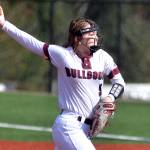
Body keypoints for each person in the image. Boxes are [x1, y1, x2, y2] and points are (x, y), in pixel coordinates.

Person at [0, 5, 125, 150]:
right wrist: (4, 24)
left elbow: (119, 82)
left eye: (95, 33)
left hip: (86, 131)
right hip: (68, 126)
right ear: (78, 38)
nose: (95, 37)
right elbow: (33, 43)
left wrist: (110, 97)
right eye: (90, 33)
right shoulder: (64, 55)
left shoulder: (102, 57)